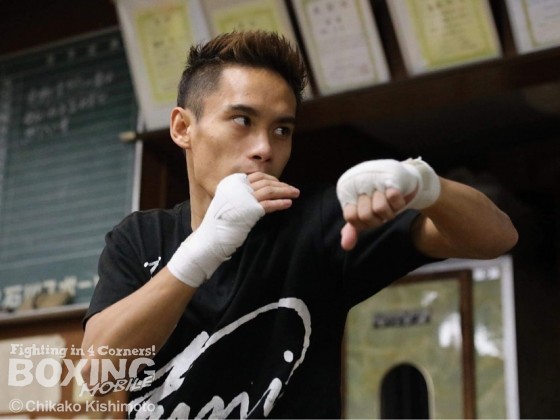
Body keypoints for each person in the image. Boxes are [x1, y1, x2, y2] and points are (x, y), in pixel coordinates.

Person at [81, 30, 518, 419]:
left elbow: (497, 237)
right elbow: (99, 373)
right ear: (182, 127)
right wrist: (204, 247)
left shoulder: (314, 222)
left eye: (282, 130)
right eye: (242, 120)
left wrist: (424, 184)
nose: (264, 148)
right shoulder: (140, 238)